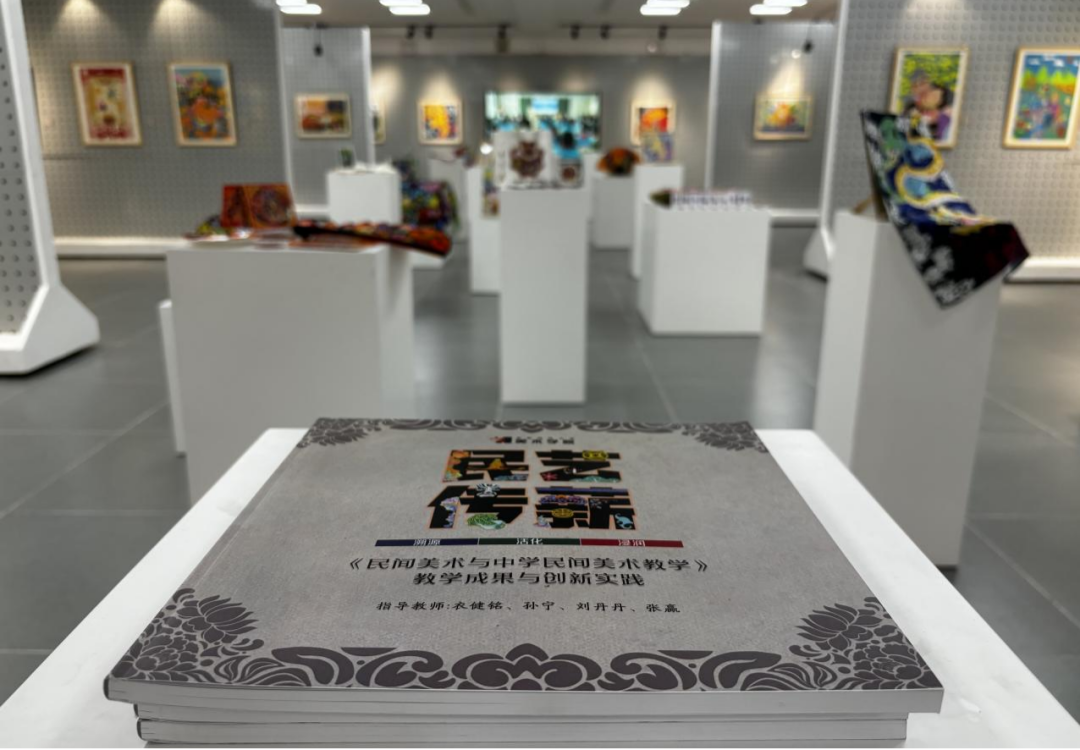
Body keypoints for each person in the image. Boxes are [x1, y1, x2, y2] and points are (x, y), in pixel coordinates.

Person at [902, 69, 954, 142]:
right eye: (915, 86)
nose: (920, 89)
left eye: (922, 83)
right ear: (912, 89)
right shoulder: (910, 107)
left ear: (928, 82)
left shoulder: (942, 93)